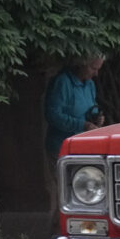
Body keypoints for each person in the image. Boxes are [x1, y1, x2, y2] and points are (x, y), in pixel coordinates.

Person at [44, 56, 105, 230]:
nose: (96, 73)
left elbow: (89, 108)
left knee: (84, 193)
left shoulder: (89, 84)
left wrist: (96, 118)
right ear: (82, 63)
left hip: (82, 147)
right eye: (94, 68)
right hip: (61, 147)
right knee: (67, 194)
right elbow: (52, 115)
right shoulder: (62, 83)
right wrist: (81, 124)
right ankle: (59, 232)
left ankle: (81, 232)